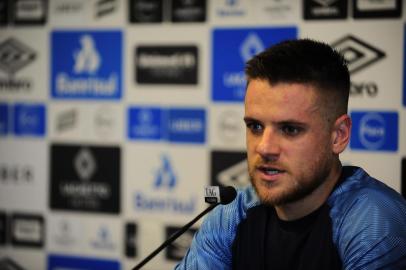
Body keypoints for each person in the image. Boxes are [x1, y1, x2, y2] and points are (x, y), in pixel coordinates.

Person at [175, 39, 406, 270]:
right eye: (255, 126)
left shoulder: (376, 223)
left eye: (290, 129)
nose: (264, 148)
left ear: (338, 135)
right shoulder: (232, 216)